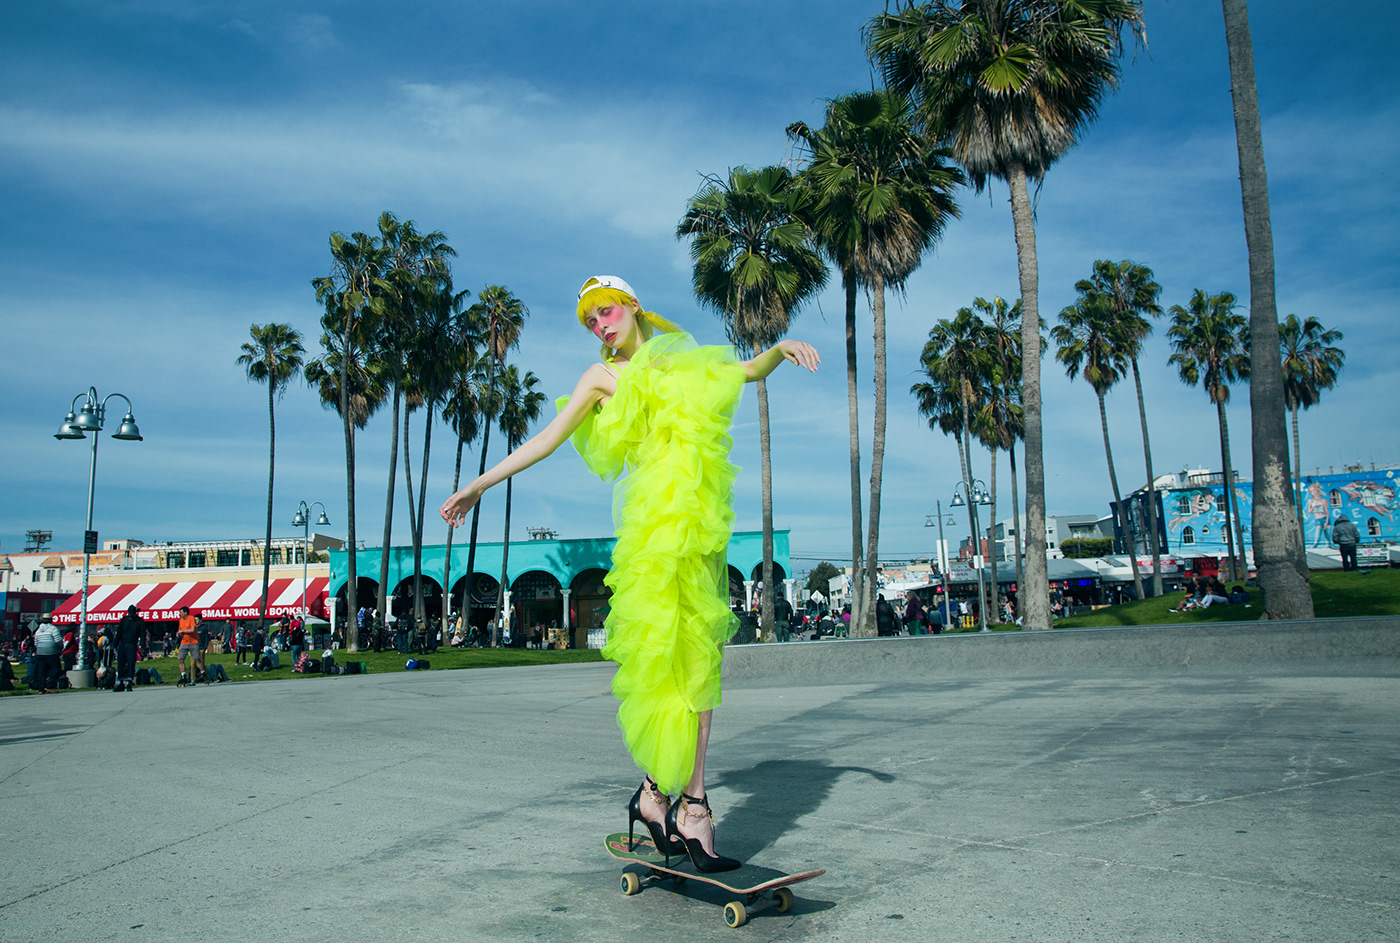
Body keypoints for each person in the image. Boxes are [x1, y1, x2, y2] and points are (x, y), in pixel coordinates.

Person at [440, 275, 819, 873]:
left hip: (696, 529)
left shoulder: (679, 363)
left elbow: (742, 372)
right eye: (591, 322)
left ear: (634, 307)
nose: (601, 327)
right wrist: (478, 486)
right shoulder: (601, 379)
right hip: (651, 536)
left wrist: (779, 351)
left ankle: (669, 800)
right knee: (662, 660)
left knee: (700, 661)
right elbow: (546, 439)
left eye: (607, 312)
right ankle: (677, 804)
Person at [113, 605, 144, 690]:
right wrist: (115, 644)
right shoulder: (124, 620)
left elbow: (142, 634)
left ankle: (129, 682)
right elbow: (119, 632)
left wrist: (143, 645)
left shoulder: (139, 621)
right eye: (129, 613)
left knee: (131, 664)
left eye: (131, 613)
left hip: (132, 645)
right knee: (121, 664)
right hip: (122, 644)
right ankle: (121, 682)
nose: (130, 615)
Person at [31, 615, 63, 694]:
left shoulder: (38, 630)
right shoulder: (53, 629)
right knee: (56, 668)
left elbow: (36, 642)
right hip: (51, 651)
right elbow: (58, 640)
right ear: (51, 620)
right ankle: (50, 684)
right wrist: (60, 648)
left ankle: (41, 688)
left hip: (40, 652)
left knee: (41, 670)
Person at [176, 607, 200, 686]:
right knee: (180, 659)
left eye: (181, 612)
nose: (180, 614)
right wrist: (179, 633)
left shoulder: (191, 618)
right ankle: (183, 676)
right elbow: (180, 629)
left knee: (197, 659)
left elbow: (192, 629)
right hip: (184, 642)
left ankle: (203, 673)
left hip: (193, 641)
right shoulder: (180, 620)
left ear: (185, 613)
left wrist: (183, 631)